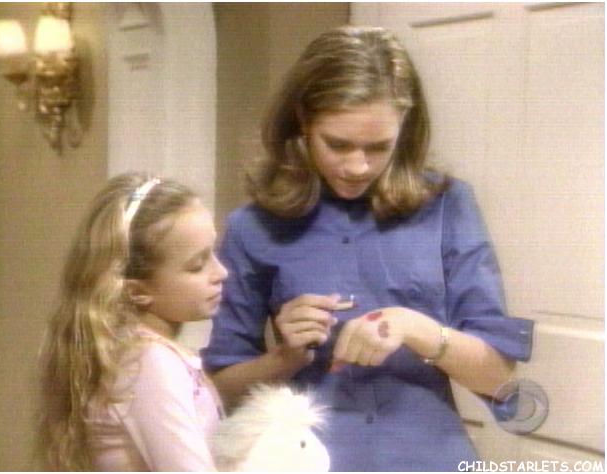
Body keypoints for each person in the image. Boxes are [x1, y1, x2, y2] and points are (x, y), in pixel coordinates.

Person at [201, 26, 534, 471]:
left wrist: (414, 327)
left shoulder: (448, 206)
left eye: (378, 148)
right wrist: (284, 357)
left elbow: (499, 380)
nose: (358, 166)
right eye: (338, 145)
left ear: (404, 131)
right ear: (303, 120)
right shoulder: (252, 227)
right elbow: (217, 395)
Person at [38, 173, 228, 471]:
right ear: (137, 291)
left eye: (213, 254)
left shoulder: (147, 354)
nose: (221, 273)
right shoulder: (149, 363)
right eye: (197, 265)